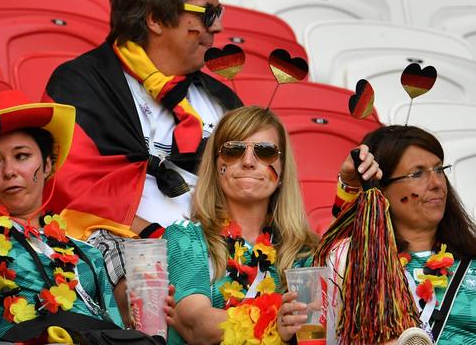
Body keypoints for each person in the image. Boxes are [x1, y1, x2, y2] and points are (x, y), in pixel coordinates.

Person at [45, 0, 243, 320]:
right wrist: (176, 249)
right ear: (155, 19)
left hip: (226, 262)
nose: (219, 26)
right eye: (208, 12)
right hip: (136, 266)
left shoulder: (220, 99)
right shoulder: (80, 84)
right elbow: (70, 191)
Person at [0, 90, 127, 342]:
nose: (9, 171)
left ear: (48, 164)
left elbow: (115, 330)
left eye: (21, 156)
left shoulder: (88, 254)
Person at [163, 106, 326, 344]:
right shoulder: (186, 237)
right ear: (217, 166)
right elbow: (198, 325)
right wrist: (272, 321)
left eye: (265, 152)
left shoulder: (305, 249)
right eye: (233, 150)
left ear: (281, 171)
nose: (248, 161)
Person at [330, 125, 476, 344]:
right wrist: (349, 187)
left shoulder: (471, 263)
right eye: (417, 174)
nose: (436, 183)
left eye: (439, 169)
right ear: (382, 190)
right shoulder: (358, 266)